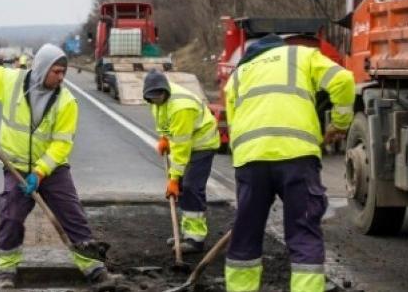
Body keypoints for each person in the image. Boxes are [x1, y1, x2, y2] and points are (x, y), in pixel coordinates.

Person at [0, 43, 120, 290]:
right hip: (16, 167)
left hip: (53, 170)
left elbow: (61, 144)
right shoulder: (10, 81)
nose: (61, 77)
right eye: (56, 71)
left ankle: (93, 268)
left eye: (63, 72)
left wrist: (41, 171)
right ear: (42, 68)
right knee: (11, 217)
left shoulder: (66, 101)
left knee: (73, 217)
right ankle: (6, 272)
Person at [223, 34, 355, 292]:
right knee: (303, 230)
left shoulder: (237, 75)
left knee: (246, 233)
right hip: (297, 157)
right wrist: (340, 122)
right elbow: (343, 79)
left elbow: (233, 121)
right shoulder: (301, 55)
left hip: (251, 159)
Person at [142, 69, 220, 253]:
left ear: (165, 91)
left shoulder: (181, 107)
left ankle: (195, 239)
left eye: (159, 96)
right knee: (184, 188)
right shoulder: (155, 98)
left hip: (202, 145)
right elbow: (165, 121)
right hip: (185, 142)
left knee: (192, 187)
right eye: (153, 97)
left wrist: (174, 178)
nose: (156, 99)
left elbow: (181, 147)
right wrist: (164, 137)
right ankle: (185, 233)